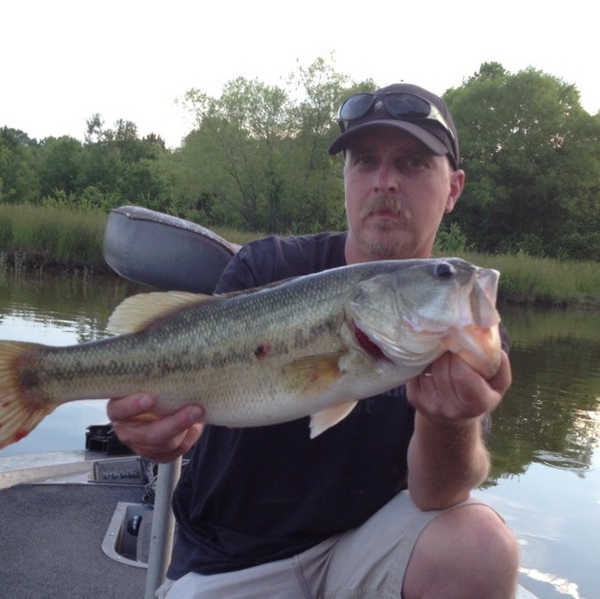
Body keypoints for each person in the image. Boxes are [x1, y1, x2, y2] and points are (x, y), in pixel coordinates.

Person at [108, 83, 520, 599]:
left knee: (481, 548)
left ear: (454, 188)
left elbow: (439, 493)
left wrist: (450, 422)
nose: (385, 182)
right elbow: (185, 405)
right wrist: (157, 429)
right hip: (231, 561)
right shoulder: (266, 267)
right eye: (365, 161)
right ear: (345, 178)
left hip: (363, 551)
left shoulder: (462, 320)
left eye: (413, 163)